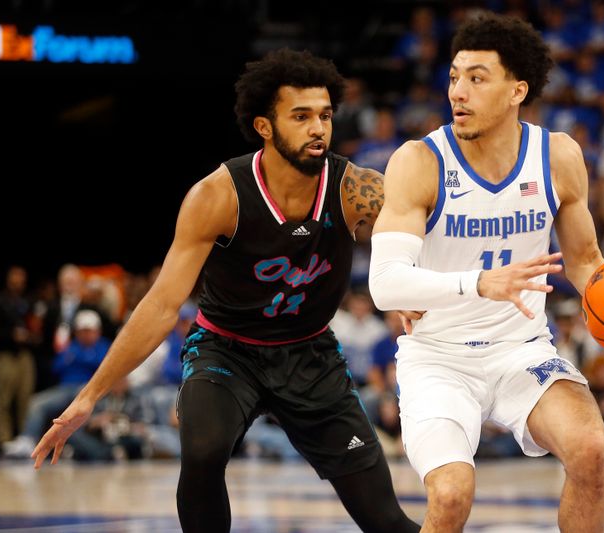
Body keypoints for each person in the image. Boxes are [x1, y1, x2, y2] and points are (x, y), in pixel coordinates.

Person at [31, 48, 420, 533]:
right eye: (300, 116)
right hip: (226, 351)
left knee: (385, 519)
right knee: (203, 449)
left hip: (309, 353)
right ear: (264, 125)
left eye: (324, 115)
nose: (318, 128)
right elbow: (161, 304)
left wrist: (414, 288)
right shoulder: (218, 195)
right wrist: (89, 397)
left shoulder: (356, 189)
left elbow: (424, 241)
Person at [368, 13, 604, 533]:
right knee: (451, 497)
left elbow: (586, 263)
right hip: (438, 358)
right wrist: (476, 283)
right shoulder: (419, 161)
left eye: (477, 78)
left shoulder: (557, 156)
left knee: (591, 453)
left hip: (521, 350)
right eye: (454, 77)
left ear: (517, 90)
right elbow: (384, 284)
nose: (459, 92)